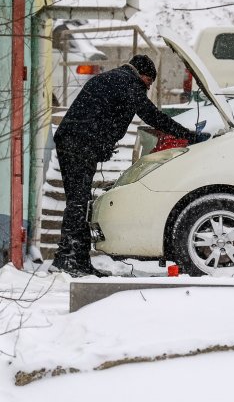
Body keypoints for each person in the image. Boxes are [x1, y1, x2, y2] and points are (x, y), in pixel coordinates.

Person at [51, 54, 210, 277]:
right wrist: (188, 136)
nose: (147, 88)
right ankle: (68, 259)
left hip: (73, 141)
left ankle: (74, 259)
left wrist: (102, 145)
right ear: (144, 75)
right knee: (79, 202)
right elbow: (153, 116)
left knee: (79, 201)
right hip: (78, 143)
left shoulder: (112, 79)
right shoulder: (128, 83)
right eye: (149, 83)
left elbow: (99, 115)